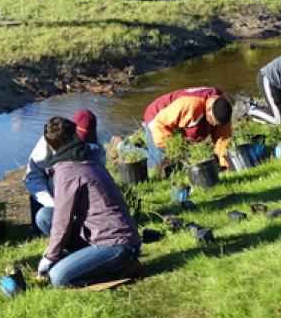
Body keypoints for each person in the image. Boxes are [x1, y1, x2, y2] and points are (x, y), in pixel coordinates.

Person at [35, 117, 141, 288]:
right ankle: (85, 261)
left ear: (52, 146)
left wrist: (49, 257)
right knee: (45, 215)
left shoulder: (67, 172)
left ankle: (121, 269)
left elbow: (63, 221)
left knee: (58, 278)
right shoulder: (90, 155)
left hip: (118, 244)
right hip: (100, 234)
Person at [25, 109, 105, 237]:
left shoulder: (96, 147)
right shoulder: (50, 141)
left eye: (87, 141)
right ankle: (41, 231)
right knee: (44, 217)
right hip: (50, 197)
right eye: (80, 140)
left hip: (80, 200)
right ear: (73, 131)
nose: (83, 145)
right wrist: (53, 204)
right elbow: (33, 177)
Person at [143, 88, 233, 171]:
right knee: (158, 164)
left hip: (176, 123)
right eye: (212, 122)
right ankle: (134, 151)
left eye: (216, 124)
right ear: (208, 112)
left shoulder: (223, 107)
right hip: (157, 118)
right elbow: (160, 123)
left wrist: (224, 161)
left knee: (177, 164)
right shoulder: (190, 105)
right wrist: (169, 148)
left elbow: (222, 138)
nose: (213, 125)